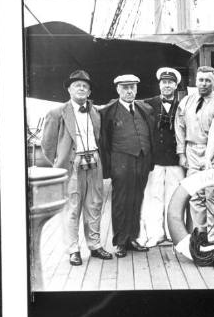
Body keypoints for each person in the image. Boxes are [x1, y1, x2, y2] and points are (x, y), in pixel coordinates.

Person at [41, 70, 112, 266]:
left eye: (85, 86)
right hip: (72, 165)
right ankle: (73, 249)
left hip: (94, 162)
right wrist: (62, 163)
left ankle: (95, 245)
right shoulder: (57, 113)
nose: (81, 88)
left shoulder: (96, 112)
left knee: (94, 205)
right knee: (72, 208)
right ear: (69, 90)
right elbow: (47, 146)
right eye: (76, 85)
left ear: (89, 92)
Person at [100, 74, 154, 258]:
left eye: (132, 87)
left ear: (137, 88)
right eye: (125, 88)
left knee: (136, 199)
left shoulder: (144, 108)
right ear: (118, 90)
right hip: (121, 162)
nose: (129, 91)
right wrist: (108, 167)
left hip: (142, 160)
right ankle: (120, 241)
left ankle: (132, 238)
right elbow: (104, 141)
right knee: (121, 201)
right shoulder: (108, 111)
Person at [175, 66, 214, 243]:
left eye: (208, 80)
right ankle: (201, 236)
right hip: (192, 151)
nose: (204, 83)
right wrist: (181, 153)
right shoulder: (186, 102)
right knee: (196, 196)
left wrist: (208, 158)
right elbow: (180, 129)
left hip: (212, 153)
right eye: (201, 80)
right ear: (195, 81)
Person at [136, 67, 184, 247]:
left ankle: (174, 233)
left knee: (174, 196)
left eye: (170, 83)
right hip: (154, 159)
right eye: (164, 82)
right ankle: (155, 234)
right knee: (154, 196)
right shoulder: (148, 104)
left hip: (175, 159)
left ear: (176, 85)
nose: (167, 86)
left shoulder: (183, 104)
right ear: (159, 84)